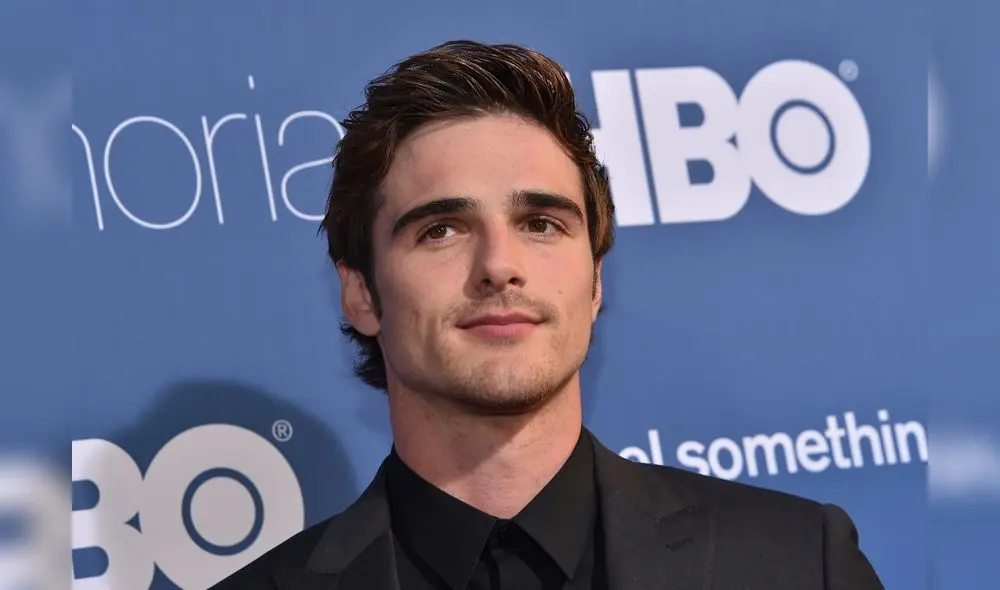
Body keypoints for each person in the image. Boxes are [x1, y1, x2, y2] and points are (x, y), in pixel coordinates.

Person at [211, 40, 884, 590]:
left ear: (595, 280)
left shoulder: (798, 563)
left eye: (541, 223)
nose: (500, 265)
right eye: (441, 229)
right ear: (360, 293)